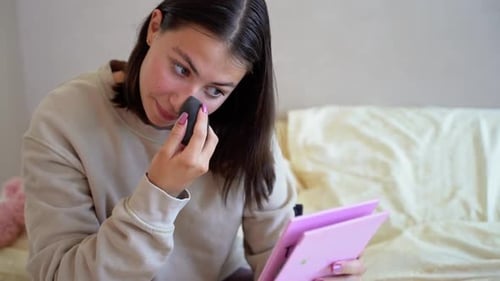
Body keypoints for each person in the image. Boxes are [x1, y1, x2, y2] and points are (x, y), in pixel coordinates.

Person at [21, 0, 366, 280]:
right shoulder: (63, 120)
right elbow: (58, 274)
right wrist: (158, 193)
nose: (182, 101)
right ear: (155, 27)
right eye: (181, 69)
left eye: (215, 90)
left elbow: (275, 254)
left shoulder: (241, 124)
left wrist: (315, 270)